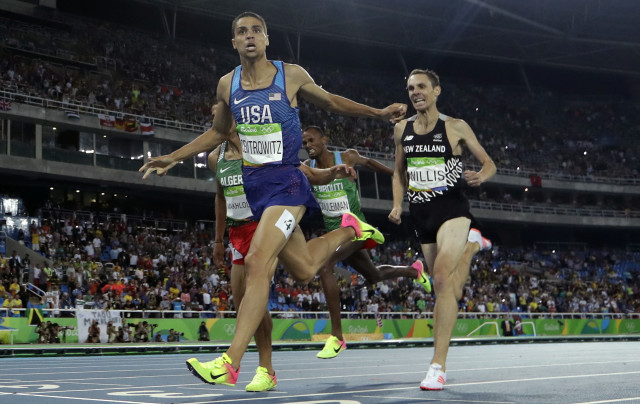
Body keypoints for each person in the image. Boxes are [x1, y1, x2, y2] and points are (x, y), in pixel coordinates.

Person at [139, 11, 406, 388]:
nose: (249, 37)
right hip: (255, 190)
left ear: (266, 39)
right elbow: (216, 135)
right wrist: (173, 156)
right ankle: (349, 228)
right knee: (304, 269)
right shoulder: (226, 85)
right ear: (233, 42)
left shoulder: (290, 74)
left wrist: (378, 113)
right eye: (242, 32)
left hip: (289, 183)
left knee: (258, 261)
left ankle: (229, 363)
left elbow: (330, 102)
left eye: (256, 31)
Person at [207, 106, 357, 392]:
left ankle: (258, 368)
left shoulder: (264, 149)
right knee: (258, 298)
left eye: (220, 115)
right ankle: (350, 228)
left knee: (258, 289)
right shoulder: (215, 158)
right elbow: (220, 196)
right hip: (238, 232)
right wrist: (218, 238)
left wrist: (333, 172)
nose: (215, 120)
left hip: (266, 224)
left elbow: (308, 174)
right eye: (213, 116)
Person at [388, 69, 495, 390]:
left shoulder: (455, 127)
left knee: (441, 277)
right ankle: (473, 246)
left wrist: (481, 176)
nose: (415, 92)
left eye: (421, 86)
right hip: (421, 215)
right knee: (446, 289)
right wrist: (396, 204)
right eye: (410, 88)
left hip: (452, 210)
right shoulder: (400, 130)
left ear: (436, 91)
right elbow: (398, 173)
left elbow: (490, 163)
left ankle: (438, 365)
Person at [302, 125, 432, 359]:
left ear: (324, 139)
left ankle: (337, 337)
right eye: (305, 144)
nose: (308, 146)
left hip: (355, 229)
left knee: (324, 267)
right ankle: (413, 271)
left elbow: (369, 162)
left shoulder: (346, 157)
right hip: (334, 234)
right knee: (374, 276)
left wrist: (395, 174)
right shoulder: (308, 169)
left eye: (311, 140)